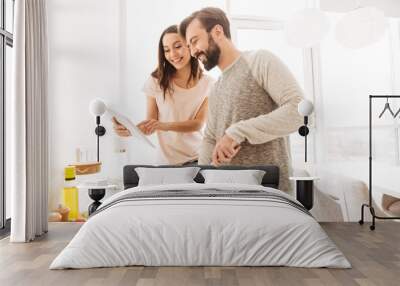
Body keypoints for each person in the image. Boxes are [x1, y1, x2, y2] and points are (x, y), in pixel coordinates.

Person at [179, 7, 304, 192]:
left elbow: (298, 111)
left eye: (195, 41)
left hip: (269, 195)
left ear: (217, 31)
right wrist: (201, 185)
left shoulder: (259, 60)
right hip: (228, 196)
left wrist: (237, 131)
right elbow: (210, 139)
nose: (193, 52)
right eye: (189, 46)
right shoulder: (215, 89)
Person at [113, 25, 214, 165]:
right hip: (166, 163)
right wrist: (131, 130)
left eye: (177, 46)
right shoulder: (156, 81)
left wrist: (164, 125)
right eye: (167, 50)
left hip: (199, 159)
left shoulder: (209, 84)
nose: (172, 54)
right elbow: (151, 124)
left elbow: (197, 124)